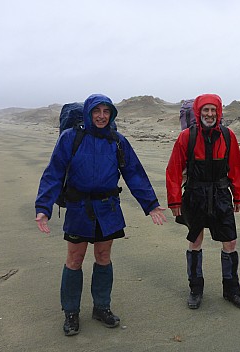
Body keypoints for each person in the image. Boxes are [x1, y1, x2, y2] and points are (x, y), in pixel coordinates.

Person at [35, 93, 166, 336]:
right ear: (88, 113)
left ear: (112, 114)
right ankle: (71, 313)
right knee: (75, 258)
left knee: (103, 256)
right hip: (78, 208)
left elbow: (134, 173)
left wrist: (151, 204)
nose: (101, 116)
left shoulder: (117, 141)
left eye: (106, 112)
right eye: (97, 111)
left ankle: (101, 307)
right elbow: (53, 173)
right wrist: (43, 208)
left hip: (108, 208)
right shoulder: (70, 138)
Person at [166, 93, 240, 309]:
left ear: (219, 112)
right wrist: (174, 201)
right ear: (198, 112)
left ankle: (232, 289)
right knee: (195, 240)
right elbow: (174, 169)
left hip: (221, 195)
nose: (209, 114)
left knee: (230, 241)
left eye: (213, 110)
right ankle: (195, 289)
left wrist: (238, 195)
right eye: (206, 110)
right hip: (194, 194)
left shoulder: (228, 136)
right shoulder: (187, 137)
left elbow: (236, 168)